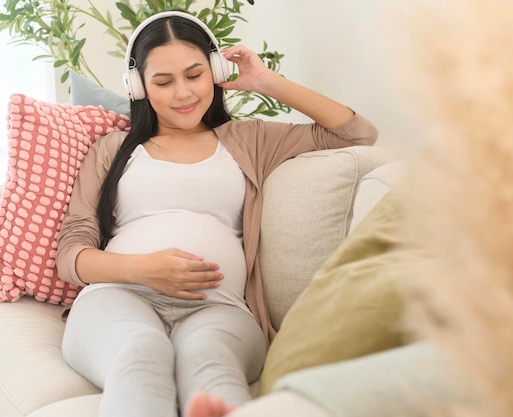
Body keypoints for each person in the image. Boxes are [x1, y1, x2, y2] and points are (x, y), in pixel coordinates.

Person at [55, 10, 378, 417]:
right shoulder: (114, 148)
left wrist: (264, 81)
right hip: (118, 297)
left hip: (219, 307)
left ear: (216, 71)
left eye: (194, 75)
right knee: (141, 351)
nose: (183, 93)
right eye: (163, 82)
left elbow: (355, 133)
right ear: (138, 87)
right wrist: (142, 269)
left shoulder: (249, 140)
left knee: (209, 363)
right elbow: (70, 254)